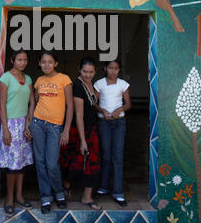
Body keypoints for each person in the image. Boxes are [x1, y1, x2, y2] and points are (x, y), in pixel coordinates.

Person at [28, 51, 73, 214]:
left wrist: (66, 130)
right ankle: (45, 197)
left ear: (56, 63)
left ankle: (59, 193)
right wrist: (29, 123)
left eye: (50, 62)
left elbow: (70, 106)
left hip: (55, 127)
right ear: (39, 64)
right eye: (43, 62)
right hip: (38, 124)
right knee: (40, 162)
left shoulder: (64, 79)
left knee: (52, 163)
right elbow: (34, 103)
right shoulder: (39, 81)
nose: (46, 64)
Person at [0, 50, 35, 217]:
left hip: (24, 124)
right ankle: (9, 199)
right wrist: (5, 128)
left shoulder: (28, 79)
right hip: (11, 124)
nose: (22, 62)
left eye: (25, 60)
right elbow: (2, 104)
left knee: (22, 162)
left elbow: (32, 102)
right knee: (12, 164)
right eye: (19, 59)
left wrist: (28, 124)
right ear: (12, 60)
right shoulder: (5, 78)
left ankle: (19, 195)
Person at [60, 57, 102, 210]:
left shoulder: (91, 84)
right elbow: (78, 115)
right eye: (85, 71)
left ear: (95, 71)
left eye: (91, 72)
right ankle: (66, 185)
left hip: (92, 128)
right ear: (79, 69)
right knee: (76, 160)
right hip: (80, 130)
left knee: (92, 162)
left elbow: (93, 106)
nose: (88, 75)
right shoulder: (78, 86)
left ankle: (86, 195)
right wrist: (83, 140)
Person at [94, 59, 131, 207]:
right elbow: (94, 103)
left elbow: (128, 104)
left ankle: (118, 192)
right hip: (104, 123)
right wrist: (102, 110)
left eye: (116, 68)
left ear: (119, 70)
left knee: (118, 156)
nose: (113, 71)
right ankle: (103, 187)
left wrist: (119, 110)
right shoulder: (99, 84)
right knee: (106, 155)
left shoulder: (123, 84)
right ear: (105, 68)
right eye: (110, 68)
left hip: (119, 123)